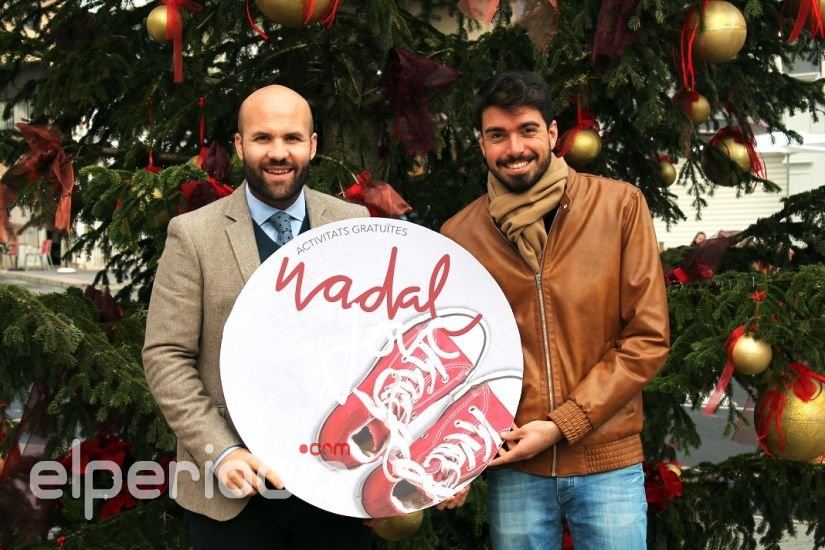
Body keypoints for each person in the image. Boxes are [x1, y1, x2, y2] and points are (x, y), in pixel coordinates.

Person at [441, 71, 670, 549]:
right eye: (497, 135)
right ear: (481, 143)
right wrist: (457, 460)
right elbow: (454, 359)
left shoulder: (619, 206)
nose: (514, 148)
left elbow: (646, 339)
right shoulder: (460, 235)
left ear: (551, 133)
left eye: (527, 130)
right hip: (515, 465)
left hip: (606, 460)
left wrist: (562, 424)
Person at [143, 85, 373, 549]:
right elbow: (166, 356)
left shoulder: (354, 223)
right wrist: (220, 451)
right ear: (239, 145)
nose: (278, 152)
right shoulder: (193, 235)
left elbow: (377, 343)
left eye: (292, 138)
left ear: (312, 145)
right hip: (233, 494)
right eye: (263, 138)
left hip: (335, 486)